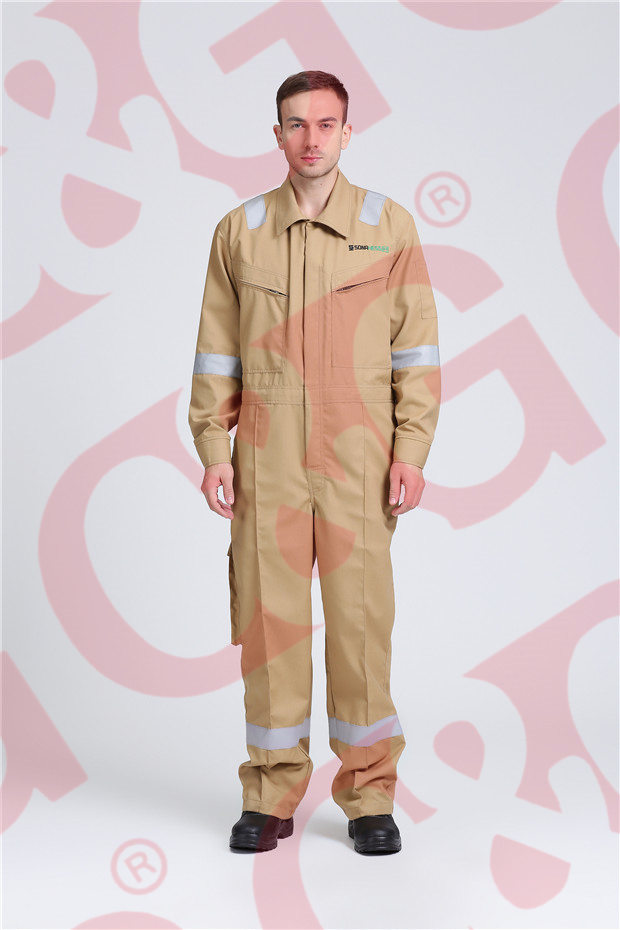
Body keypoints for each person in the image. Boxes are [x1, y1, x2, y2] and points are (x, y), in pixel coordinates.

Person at [188, 70, 441, 855]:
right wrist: (214, 447)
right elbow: (217, 350)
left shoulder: (387, 225)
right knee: (272, 623)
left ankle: (368, 797)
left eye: (325, 124)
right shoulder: (241, 231)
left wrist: (412, 448)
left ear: (347, 133)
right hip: (266, 457)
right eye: (296, 124)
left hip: (360, 453)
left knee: (361, 623)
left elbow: (417, 349)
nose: (310, 139)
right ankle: (269, 793)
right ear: (277, 135)